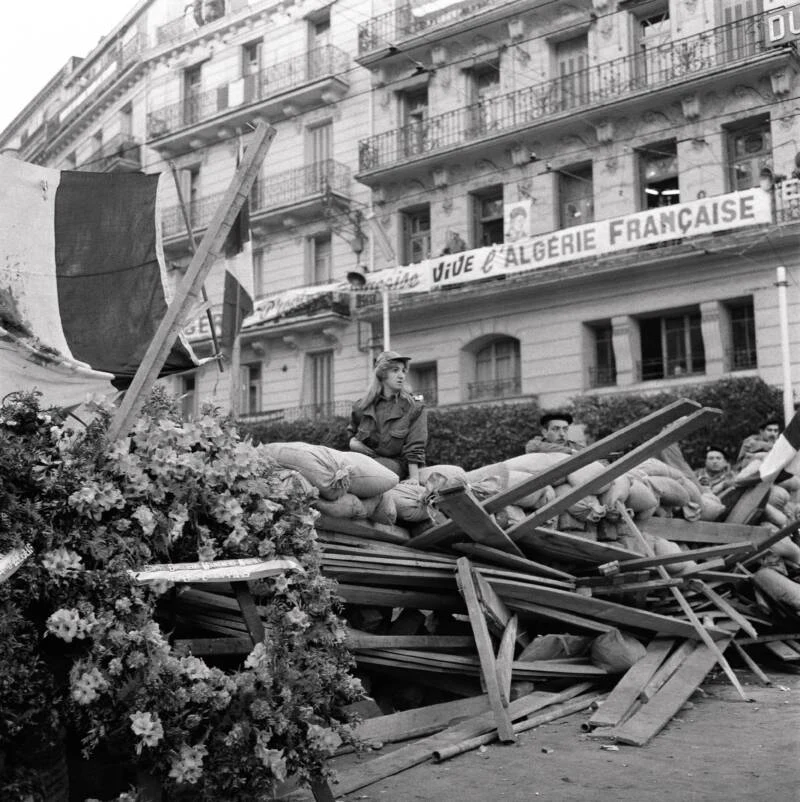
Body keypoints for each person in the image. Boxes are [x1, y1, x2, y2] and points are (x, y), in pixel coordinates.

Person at [348, 350, 427, 483]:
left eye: (403, 370)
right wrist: (353, 443)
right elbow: (352, 433)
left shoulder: (414, 406)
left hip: (396, 464)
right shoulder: (362, 406)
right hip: (365, 461)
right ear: (382, 374)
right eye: (395, 370)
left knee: (368, 471)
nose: (401, 375)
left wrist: (414, 478)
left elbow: (415, 445)